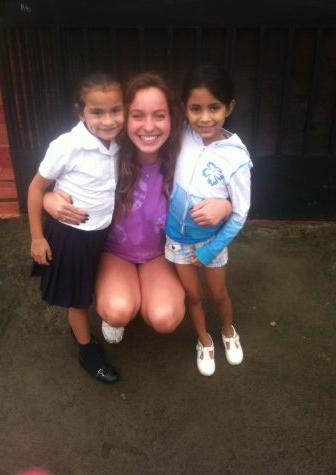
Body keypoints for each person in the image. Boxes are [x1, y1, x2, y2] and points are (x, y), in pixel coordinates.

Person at [43, 73, 231, 345]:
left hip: (159, 254)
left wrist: (225, 205)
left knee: (165, 318)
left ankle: (141, 296)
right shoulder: (106, 154)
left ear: (172, 118)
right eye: (138, 115)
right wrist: (50, 200)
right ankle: (116, 310)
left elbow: (230, 183)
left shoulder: (186, 157)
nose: (149, 126)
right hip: (114, 252)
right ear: (124, 118)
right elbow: (57, 179)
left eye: (159, 115)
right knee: (118, 310)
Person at [28, 71, 124, 383]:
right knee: (78, 296)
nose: (108, 120)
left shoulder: (121, 141)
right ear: (80, 111)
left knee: (93, 283)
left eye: (115, 110)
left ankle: (95, 326)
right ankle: (86, 350)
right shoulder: (68, 145)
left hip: (102, 233)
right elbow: (35, 188)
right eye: (97, 112)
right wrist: (37, 237)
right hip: (72, 235)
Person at [165, 64, 252, 376]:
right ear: (184, 109)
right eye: (195, 108)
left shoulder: (237, 157)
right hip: (177, 242)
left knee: (218, 294)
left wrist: (211, 248)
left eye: (214, 108)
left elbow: (240, 212)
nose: (204, 118)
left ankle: (228, 332)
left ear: (229, 107)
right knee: (193, 296)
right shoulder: (181, 135)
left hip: (212, 243)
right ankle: (204, 340)